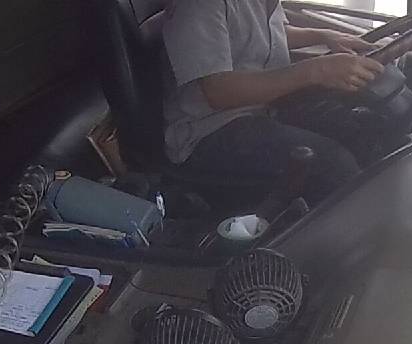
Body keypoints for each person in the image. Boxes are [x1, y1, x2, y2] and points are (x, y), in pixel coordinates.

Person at [161, 0, 386, 203]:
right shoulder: (199, 6)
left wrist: (324, 36)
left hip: (265, 107)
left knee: (362, 128)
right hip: (211, 131)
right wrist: (317, 70)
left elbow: (272, 33)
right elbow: (218, 92)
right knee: (333, 165)